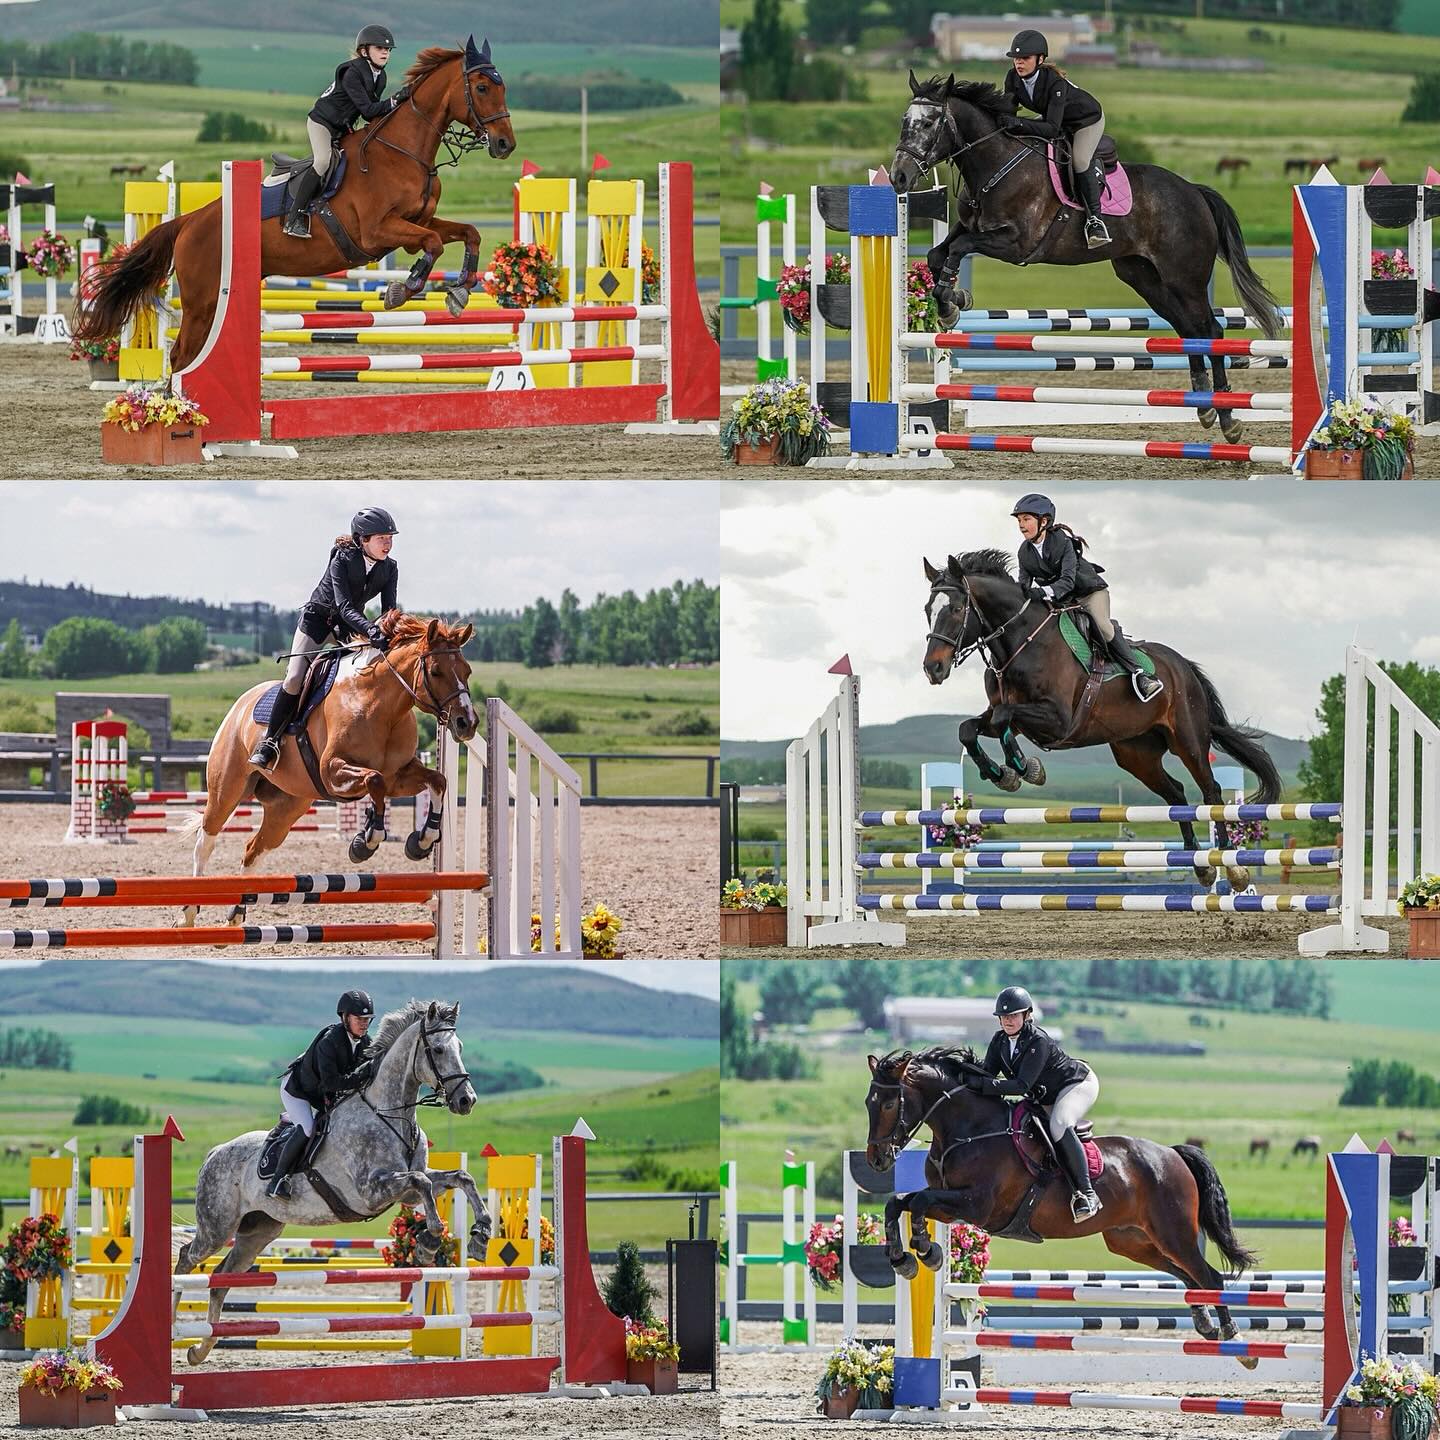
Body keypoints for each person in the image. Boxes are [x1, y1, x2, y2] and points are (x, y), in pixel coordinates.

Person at [248, 507, 400, 770]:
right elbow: (343, 606)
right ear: (362, 540)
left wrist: (389, 632)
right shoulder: (342, 559)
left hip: (347, 627)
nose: (387, 543)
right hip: (317, 622)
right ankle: (270, 741)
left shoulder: (390, 569)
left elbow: (389, 612)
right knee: (295, 677)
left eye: (390, 538)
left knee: (365, 672)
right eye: (381, 538)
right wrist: (370, 629)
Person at [1012, 492, 1163, 702]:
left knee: (1101, 624)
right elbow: (1023, 586)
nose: (1021, 525)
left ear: (1044, 521)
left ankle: (1140, 674)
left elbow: (1067, 580)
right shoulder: (1024, 552)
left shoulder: (1062, 543)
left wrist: (1042, 592)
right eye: (1019, 520)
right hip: (1063, 600)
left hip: (1089, 593)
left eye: (1026, 519)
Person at [973, 985, 1103, 1222]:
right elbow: (987, 1073)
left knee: (1060, 1124)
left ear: (1027, 1015)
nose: (1008, 1020)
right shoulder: (1000, 1041)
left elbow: (1021, 1085)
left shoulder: (1037, 1041)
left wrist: (982, 1085)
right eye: (1003, 1016)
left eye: (1013, 1015)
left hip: (1075, 1084)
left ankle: (1087, 1194)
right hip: (1044, 1094)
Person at [288, 25, 407, 237]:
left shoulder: (380, 76)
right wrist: (395, 100)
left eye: (388, 50)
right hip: (322, 123)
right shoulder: (353, 72)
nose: (385, 52)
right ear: (364, 51)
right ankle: (294, 217)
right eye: (379, 48)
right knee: (323, 161)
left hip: (342, 127)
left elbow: (371, 115)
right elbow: (368, 110)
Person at [1001, 29, 1111, 249]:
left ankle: (1095, 222)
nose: (1019, 63)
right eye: (1016, 59)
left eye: (1025, 59)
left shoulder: (1054, 83)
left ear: (1040, 59)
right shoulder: (1013, 78)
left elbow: (1051, 129)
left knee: (1080, 161)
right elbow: (1008, 113)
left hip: (1086, 121)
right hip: (1055, 118)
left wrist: (1020, 124)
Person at [267, 989, 378, 1199]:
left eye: (367, 1019)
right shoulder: (329, 1042)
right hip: (298, 1090)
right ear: (345, 1017)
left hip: (321, 1092)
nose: (364, 1024)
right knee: (308, 1128)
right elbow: (333, 1083)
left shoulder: (365, 1042)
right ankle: (277, 1181)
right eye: (359, 1018)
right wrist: (363, 1073)